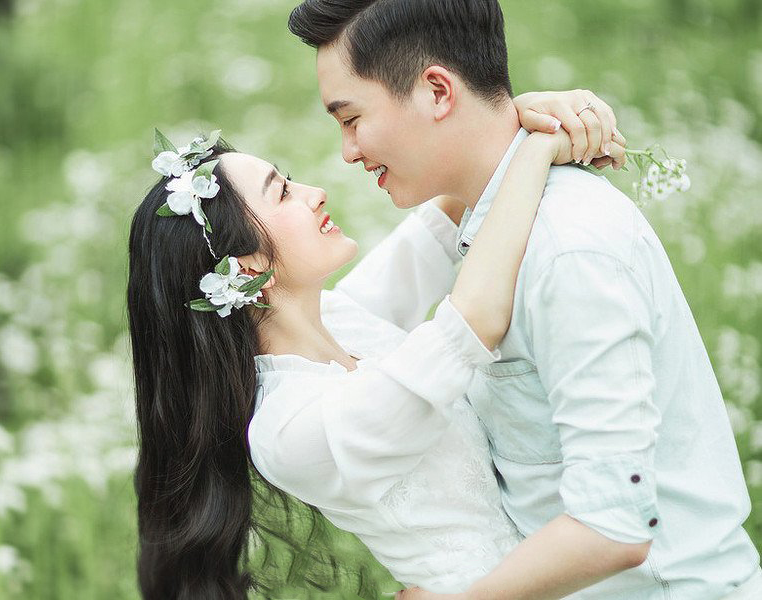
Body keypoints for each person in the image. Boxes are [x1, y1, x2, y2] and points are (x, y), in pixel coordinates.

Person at [286, 1, 762, 599]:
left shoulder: (567, 249)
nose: (348, 151)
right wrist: (527, 131)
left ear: (437, 91)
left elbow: (615, 523)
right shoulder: (494, 225)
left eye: (352, 119)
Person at [127, 92, 624, 598]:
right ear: (248, 267)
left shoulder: (341, 318)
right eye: (283, 193)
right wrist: (538, 149)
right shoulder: (289, 428)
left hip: (562, 570)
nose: (315, 192)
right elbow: (476, 318)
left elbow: (445, 216)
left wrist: (519, 113)